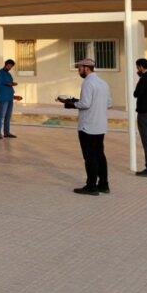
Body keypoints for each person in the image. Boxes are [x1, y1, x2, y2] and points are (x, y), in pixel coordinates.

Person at [59, 58, 112, 196]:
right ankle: (104, 185)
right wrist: (77, 101)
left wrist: (71, 103)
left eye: (79, 68)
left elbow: (86, 104)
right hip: (100, 126)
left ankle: (91, 186)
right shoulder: (103, 83)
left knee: (90, 157)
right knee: (100, 155)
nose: (79, 71)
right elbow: (108, 103)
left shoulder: (88, 83)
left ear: (86, 68)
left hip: (87, 126)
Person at [0, 59, 18, 139]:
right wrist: (11, 83)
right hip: (3, 98)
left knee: (8, 116)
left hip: (9, 98)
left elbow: (10, 87)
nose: (10, 68)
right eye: (9, 66)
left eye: (11, 67)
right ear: (6, 64)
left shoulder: (8, 74)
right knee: (1, 116)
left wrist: (14, 96)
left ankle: (6, 132)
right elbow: (2, 83)